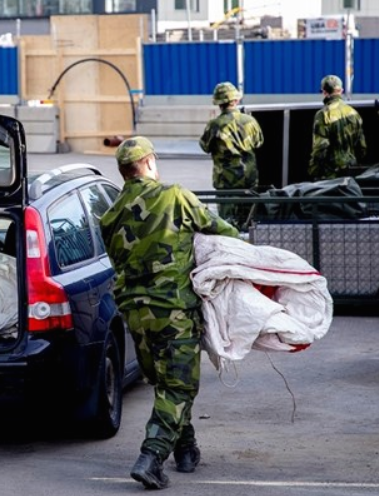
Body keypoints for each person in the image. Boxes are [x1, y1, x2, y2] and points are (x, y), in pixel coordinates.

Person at [99, 137, 239, 490]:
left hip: (135, 313)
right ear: (147, 163)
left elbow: (119, 263)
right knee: (179, 386)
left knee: (166, 384)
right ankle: (151, 456)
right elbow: (221, 230)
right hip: (173, 311)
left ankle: (186, 449)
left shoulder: (110, 216)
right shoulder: (173, 195)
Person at [199, 81, 264, 227]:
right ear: (236, 100)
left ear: (218, 102)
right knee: (250, 224)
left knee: (227, 225)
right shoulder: (250, 121)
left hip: (226, 183)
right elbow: (259, 143)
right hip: (249, 180)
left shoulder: (215, 124)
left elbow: (205, 146)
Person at [309, 75, 367, 180]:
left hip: (331, 175)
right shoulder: (353, 113)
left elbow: (320, 148)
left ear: (324, 92)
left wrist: (313, 171)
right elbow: (362, 147)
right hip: (351, 172)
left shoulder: (323, 114)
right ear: (341, 91)